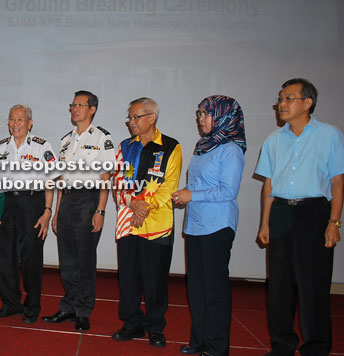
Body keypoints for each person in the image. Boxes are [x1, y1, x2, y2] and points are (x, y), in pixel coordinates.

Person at [255, 78, 343, 356]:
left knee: (313, 286)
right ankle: (282, 346)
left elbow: (338, 182)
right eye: (280, 99)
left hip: (313, 212)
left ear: (308, 103)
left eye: (288, 98)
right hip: (280, 211)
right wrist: (265, 222)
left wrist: (334, 222)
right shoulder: (273, 139)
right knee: (279, 287)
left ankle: (316, 348)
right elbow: (269, 185)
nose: (281, 104)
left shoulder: (329, 134)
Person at [172, 96, 246, 356]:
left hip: (217, 225)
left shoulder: (231, 150)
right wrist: (185, 195)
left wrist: (191, 195)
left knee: (214, 290)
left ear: (224, 117)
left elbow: (228, 191)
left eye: (206, 114)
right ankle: (199, 341)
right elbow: (196, 184)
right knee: (197, 288)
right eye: (199, 114)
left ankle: (216, 347)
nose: (200, 119)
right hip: (195, 225)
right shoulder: (203, 146)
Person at [111, 97, 182, 348]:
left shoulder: (171, 147)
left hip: (158, 224)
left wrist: (145, 208)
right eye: (129, 118)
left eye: (135, 117)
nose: (131, 122)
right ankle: (131, 323)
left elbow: (168, 186)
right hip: (128, 220)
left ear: (151, 117)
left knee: (155, 279)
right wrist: (132, 204)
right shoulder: (125, 146)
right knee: (128, 276)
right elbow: (119, 180)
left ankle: (155, 326)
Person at [42, 90, 115, 332]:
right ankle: (68, 306)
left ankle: (84, 310)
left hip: (88, 201)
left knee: (85, 260)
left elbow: (106, 178)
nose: (75, 109)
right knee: (68, 261)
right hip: (68, 202)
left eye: (80, 105)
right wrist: (57, 211)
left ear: (92, 109)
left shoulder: (102, 138)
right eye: (72, 105)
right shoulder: (66, 140)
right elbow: (62, 179)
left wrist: (100, 211)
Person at [0, 104, 58, 324]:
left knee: (31, 258)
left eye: (20, 119)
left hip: (32, 202)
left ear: (30, 123)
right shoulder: (2, 147)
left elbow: (51, 180)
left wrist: (48, 211)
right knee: (6, 257)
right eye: (12, 119)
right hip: (7, 203)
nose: (15, 123)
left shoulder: (41, 146)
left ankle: (32, 306)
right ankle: (10, 304)